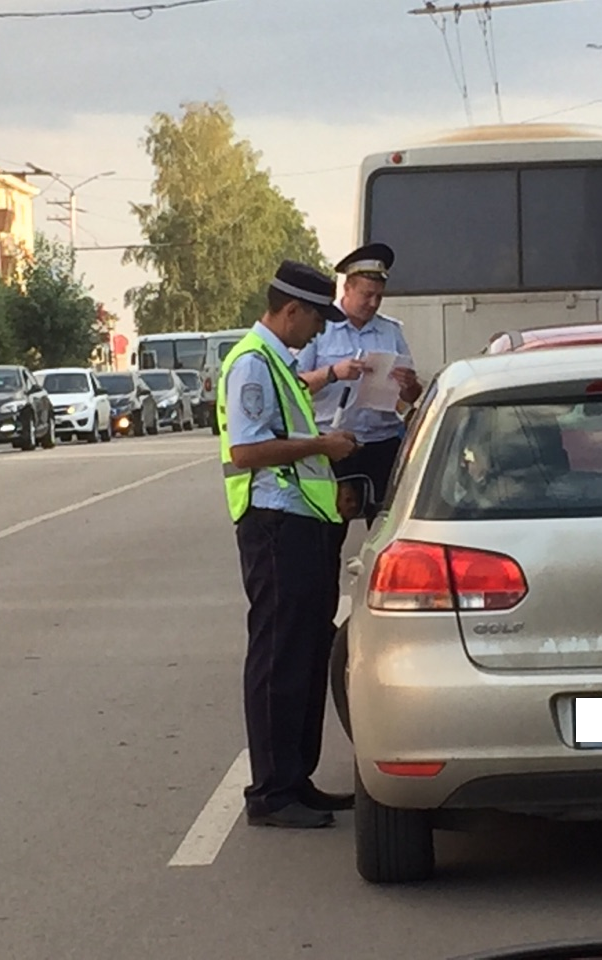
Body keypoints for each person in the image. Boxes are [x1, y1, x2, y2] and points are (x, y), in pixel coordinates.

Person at [218, 260, 360, 830]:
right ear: (291, 310)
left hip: (300, 523)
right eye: (316, 320)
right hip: (274, 525)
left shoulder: (280, 362)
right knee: (279, 656)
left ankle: (296, 779)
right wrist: (322, 445)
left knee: (304, 652)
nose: (320, 332)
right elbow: (247, 452)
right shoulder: (253, 364)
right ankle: (272, 791)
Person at [297, 242, 424, 520]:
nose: (373, 303)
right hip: (332, 442)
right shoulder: (320, 328)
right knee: (329, 532)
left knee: (387, 527)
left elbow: (413, 395)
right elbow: (294, 386)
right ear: (348, 288)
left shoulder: (390, 331)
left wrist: (409, 384)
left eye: (379, 296)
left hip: (383, 442)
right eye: (367, 295)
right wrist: (332, 373)